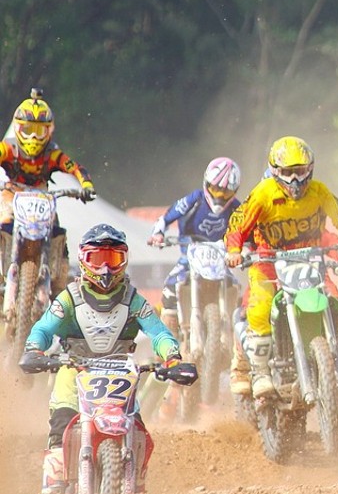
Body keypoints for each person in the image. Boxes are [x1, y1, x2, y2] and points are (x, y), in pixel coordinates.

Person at [19, 224, 197, 494]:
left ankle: (136, 483)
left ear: (124, 260)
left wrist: (172, 357)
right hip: (74, 368)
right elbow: (43, 328)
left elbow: (159, 333)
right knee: (60, 429)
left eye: (113, 259)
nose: (105, 269)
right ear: (84, 260)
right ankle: (53, 484)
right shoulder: (69, 298)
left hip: (121, 375)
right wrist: (35, 349)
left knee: (138, 431)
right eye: (98, 259)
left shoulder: (134, 300)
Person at [224, 136, 338, 399]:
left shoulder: (319, 191)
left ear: (310, 169)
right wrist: (234, 250)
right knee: (259, 306)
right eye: (288, 173)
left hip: (309, 261)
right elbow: (238, 222)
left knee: (334, 301)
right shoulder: (263, 193)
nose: (295, 180)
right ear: (275, 171)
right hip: (268, 262)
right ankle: (261, 372)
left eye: (300, 172)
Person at [0, 89, 96, 300]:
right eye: (28, 130)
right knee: (4, 220)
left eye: (39, 131)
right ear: (18, 128)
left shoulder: (52, 153)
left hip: (41, 196)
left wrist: (87, 185)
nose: (33, 137)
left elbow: (75, 167)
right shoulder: (7, 148)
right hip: (12, 192)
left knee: (56, 231)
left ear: (49, 131)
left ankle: (60, 279)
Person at [147, 158, 242, 336]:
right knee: (171, 287)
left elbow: (249, 229)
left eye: (226, 192)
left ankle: (238, 345)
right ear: (207, 184)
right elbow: (168, 216)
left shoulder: (237, 208)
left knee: (237, 292)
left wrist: (251, 246)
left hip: (220, 259)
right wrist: (158, 234)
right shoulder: (195, 199)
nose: (220, 196)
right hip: (190, 255)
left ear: (235, 191)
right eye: (216, 189)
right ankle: (168, 338)